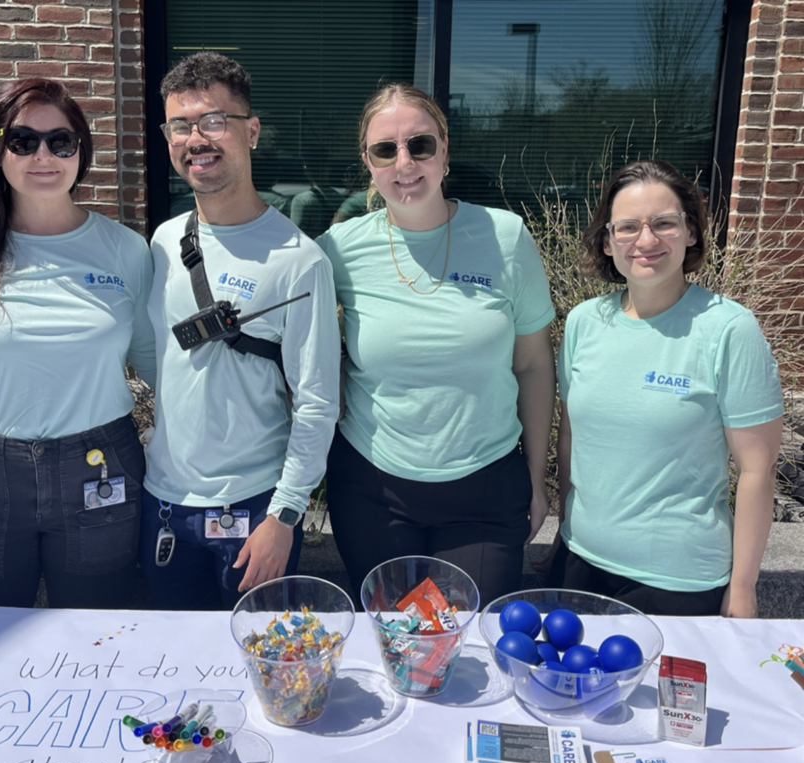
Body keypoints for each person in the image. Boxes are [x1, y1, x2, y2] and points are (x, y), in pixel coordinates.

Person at [0, 78, 156, 609]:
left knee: (97, 640)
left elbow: (162, 371)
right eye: (22, 141)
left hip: (100, 470)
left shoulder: (126, 251)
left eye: (60, 142)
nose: (43, 156)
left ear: (80, 151)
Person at [317, 83, 556, 607]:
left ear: (444, 151)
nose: (405, 163)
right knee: (392, 641)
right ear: (369, 163)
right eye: (386, 150)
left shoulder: (505, 237)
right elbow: (298, 340)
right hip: (373, 491)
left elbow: (534, 365)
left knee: (467, 640)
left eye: (420, 145)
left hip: (486, 489)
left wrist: (537, 480)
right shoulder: (337, 250)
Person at [140, 52, 339, 610]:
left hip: (254, 512)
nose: (195, 139)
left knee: (254, 659)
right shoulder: (164, 241)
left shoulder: (299, 259)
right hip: (164, 504)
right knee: (172, 655)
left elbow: (318, 402)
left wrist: (285, 514)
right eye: (180, 125)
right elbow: (156, 356)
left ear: (251, 132)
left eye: (213, 121)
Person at [548, 159, 783, 617]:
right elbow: (571, 435)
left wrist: (743, 586)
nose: (646, 241)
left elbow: (759, 467)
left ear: (691, 231)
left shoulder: (728, 329)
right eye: (628, 227)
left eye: (664, 223)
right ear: (607, 241)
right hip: (578, 562)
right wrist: (564, 527)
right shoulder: (583, 323)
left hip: (678, 581)